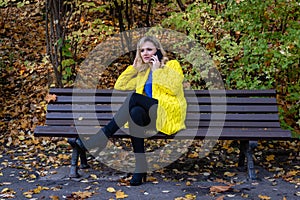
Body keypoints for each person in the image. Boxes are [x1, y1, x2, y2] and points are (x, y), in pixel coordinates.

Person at [80, 36, 187, 186]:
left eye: (149, 49)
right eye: (142, 50)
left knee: (133, 98)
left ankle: (102, 137)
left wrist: (157, 72)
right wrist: (134, 68)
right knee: (135, 112)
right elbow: (120, 85)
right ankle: (140, 167)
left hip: (167, 113)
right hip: (152, 118)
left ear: (158, 51)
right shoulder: (143, 73)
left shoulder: (172, 66)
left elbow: (174, 88)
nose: (145, 53)